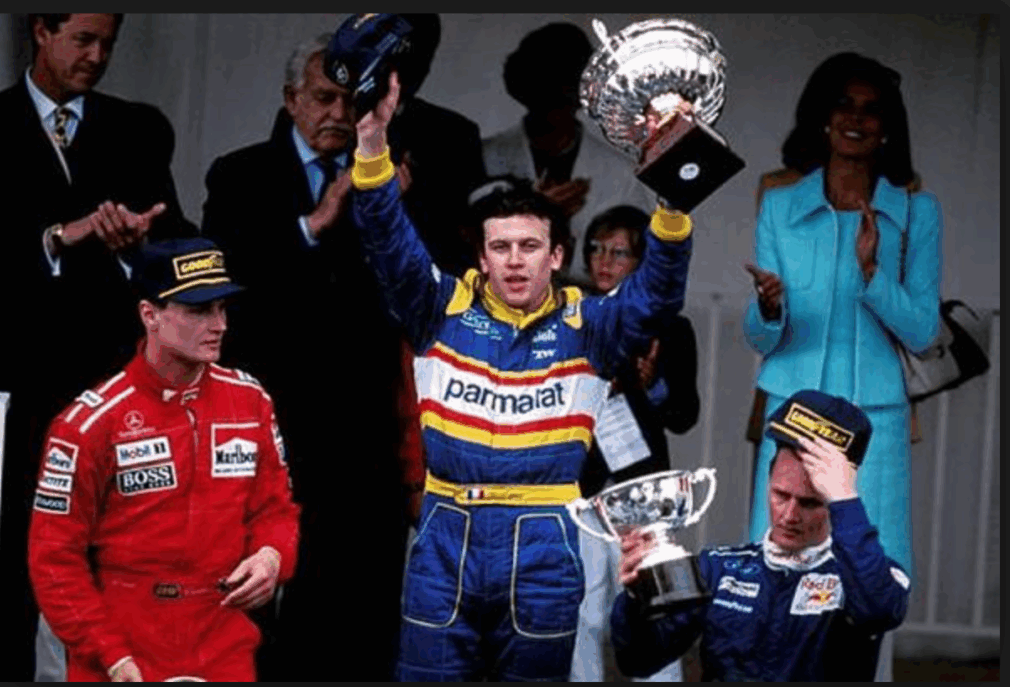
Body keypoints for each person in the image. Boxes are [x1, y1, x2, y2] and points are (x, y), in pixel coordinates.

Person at [350, 72, 693, 681]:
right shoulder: (438, 306)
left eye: (529, 246)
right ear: (481, 256)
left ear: (556, 256)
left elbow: (659, 294)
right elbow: (386, 239)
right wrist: (373, 143)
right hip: (446, 534)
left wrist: (672, 198)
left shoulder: (591, 323)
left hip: (544, 542)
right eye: (500, 247)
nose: (514, 261)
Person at [200, 31, 408, 681]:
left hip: (363, 426)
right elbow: (226, 284)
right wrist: (314, 224)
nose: (338, 114)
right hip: (274, 418)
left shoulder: (383, 173)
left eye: (351, 101)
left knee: (358, 605)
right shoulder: (239, 175)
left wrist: (389, 212)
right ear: (291, 99)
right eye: (323, 98)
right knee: (261, 600)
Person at [0, 13, 197, 681]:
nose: (97, 55)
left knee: (121, 558)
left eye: (108, 43)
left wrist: (141, 245)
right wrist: (58, 237)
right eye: (83, 39)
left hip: (116, 388)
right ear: (41, 30)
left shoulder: (138, 128)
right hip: (22, 384)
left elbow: (178, 245)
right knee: (20, 559)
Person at [741, 53, 940, 681]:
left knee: (873, 574)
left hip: (875, 418)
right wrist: (767, 308)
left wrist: (874, 275)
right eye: (844, 105)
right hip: (791, 408)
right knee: (779, 561)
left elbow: (922, 330)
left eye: (871, 110)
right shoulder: (779, 206)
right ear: (822, 118)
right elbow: (760, 336)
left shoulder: (917, 212)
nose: (856, 119)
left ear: (888, 128)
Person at [27, 237, 300, 682]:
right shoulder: (88, 424)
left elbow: (276, 509)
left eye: (222, 308)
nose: (219, 325)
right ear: (149, 315)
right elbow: (53, 559)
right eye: (199, 310)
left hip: (223, 637)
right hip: (122, 643)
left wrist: (272, 556)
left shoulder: (250, 401)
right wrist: (111, 654)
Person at [612, 390, 911, 681]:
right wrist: (637, 597)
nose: (789, 515)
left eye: (809, 503)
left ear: (836, 503)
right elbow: (638, 660)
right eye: (781, 495)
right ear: (767, 481)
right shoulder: (718, 569)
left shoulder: (868, 578)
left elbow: (878, 611)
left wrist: (844, 498)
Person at [571, 205, 700, 683]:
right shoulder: (572, 317)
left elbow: (685, 416)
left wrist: (652, 388)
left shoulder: (671, 327)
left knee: (656, 599)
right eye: (596, 249)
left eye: (619, 252)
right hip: (581, 484)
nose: (604, 261)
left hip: (642, 487)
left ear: (644, 261)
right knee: (582, 609)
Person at [484, 22, 656, 286]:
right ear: (523, 90)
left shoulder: (621, 175)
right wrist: (535, 215)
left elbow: (643, 270)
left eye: (566, 90)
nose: (555, 103)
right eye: (543, 89)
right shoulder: (484, 158)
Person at [377, 13, 487, 276]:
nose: (402, 68)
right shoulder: (331, 118)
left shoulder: (456, 135)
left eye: (419, 55)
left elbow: (468, 237)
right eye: (395, 52)